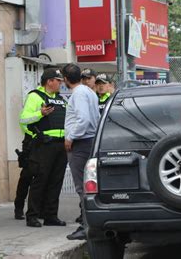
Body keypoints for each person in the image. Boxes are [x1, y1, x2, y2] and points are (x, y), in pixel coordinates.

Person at [20, 68, 67, 228]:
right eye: (58, 80)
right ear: (49, 81)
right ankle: (32, 215)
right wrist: (40, 113)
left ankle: (51, 216)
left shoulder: (60, 99)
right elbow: (24, 119)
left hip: (61, 145)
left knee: (56, 182)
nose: (60, 83)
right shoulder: (34, 96)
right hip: (44, 145)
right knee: (40, 180)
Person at [62, 64, 100, 241]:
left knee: (82, 187)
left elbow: (83, 119)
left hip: (81, 143)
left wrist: (70, 137)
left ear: (65, 79)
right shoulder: (89, 92)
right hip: (90, 141)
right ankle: (90, 224)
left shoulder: (78, 94)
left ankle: (86, 226)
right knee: (89, 185)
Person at [13, 132, 34, 220]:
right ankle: (18, 209)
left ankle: (38, 209)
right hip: (29, 148)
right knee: (24, 182)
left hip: (42, 147)